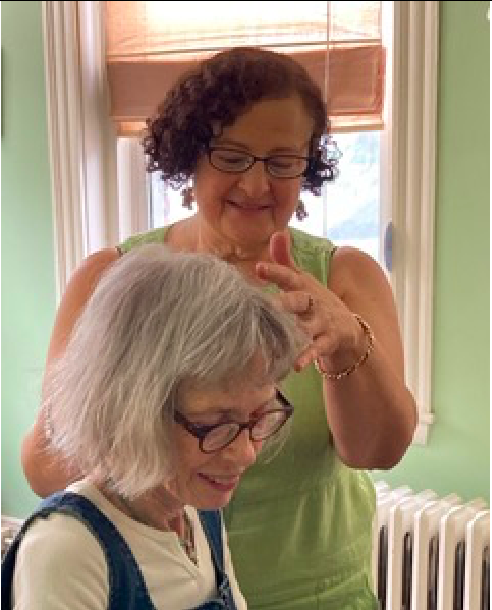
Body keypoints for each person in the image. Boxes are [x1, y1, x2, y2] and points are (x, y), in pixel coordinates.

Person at [21, 47, 417, 609]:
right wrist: (135, 388)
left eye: (282, 162)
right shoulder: (112, 281)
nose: (256, 185)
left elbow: (377, 450)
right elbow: (47, 470)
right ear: (191, 155)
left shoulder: (347, 277)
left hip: (320, 594)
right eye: (231, 157)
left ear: (308, 166)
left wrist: (348, 344)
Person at [5, 244, 302, 610]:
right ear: (128, 410)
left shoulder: (196, 510)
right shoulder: (67, 551)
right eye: (213, 424)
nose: (245, 454)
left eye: (258, 416)